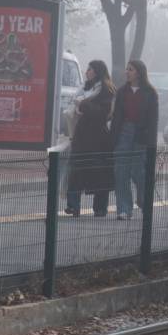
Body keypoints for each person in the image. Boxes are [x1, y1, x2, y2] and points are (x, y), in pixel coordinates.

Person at [64, 60, 115, 217]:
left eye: (90, 69)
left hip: (98, 138)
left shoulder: (106, 90)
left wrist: (84, 105)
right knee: (76, 171)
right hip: (81, 136)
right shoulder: (84, 88)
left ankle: (100, 208)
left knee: (100, 174)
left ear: (98, 71)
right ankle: (73, 206)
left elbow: (103, 113)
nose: (87, 72)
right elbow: (76, 105)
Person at [110, 59, 159, 220]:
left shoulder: (150, 93)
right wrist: (113, 138)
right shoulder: (122, 91)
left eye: (130, 69)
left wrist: (151, 143)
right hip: (124, 133)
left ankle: (144, 201)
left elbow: (153, 120)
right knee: (121, 172)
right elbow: (117, 116)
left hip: (141, 135)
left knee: (140, 172)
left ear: (138, 72)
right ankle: (124, 209)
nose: (127, 72)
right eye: (126, 69)